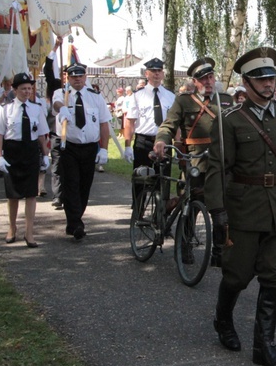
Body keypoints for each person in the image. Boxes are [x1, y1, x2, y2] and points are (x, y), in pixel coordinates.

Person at [205, 47, 276, 366]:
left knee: (275, 275)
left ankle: (265, 345)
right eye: (260, 79)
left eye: (271, 77)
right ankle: (223, 319)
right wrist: (218, 211)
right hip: (244, 208)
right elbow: (217, 168)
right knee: (238, 275)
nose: (267, 84)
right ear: (245, 83)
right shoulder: (230, 121)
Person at [153, 57, 233, 265]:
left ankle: (219, 252)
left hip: (222, 161)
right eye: (203, 78)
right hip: (195, 161)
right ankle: (185, 245)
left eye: (210, 77)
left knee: (222, 209)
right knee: (191, 203)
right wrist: (162, 141)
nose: (207, 81)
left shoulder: (225, 100)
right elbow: (168, 125)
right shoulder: (184, 101)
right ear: (195, 82)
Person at [53, 62, 111, 240]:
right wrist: (62, 107)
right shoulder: (62, 93)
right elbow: (55, 103)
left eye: (80, 76)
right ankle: (76, 223)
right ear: (68, 78)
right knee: (71, 184)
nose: (77, 79)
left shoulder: (95, 96)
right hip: (69, 146)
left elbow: (103, 123)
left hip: (89, 148)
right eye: (73, 76)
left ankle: (74, 220)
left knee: (84, 186)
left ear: (85, 77)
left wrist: (104, 149)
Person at [0, 73, 50, 247]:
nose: (27, 91)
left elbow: (41, 134)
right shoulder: (5, 108)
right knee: (13, 195)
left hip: (30, 151)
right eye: (23, 88)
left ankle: (29, 232)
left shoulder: (36, 109)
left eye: (29, 88)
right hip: (12, 151)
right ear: (15, 90)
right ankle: (12, 228)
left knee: (31, 194)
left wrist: (45, 155)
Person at [122, 58, 175, 210]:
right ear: (147, 74)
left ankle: (161, 216)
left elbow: (175, 125)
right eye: (153, 71)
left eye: (159, 71)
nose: (156, 74)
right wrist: (127, 145)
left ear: (163, 74)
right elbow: (130, 123)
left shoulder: (170, 97)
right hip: (143, 142)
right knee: (141, 178)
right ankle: (138, 212)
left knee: (163, 180)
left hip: (164, 143)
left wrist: (178, 144)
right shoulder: (137, 96)